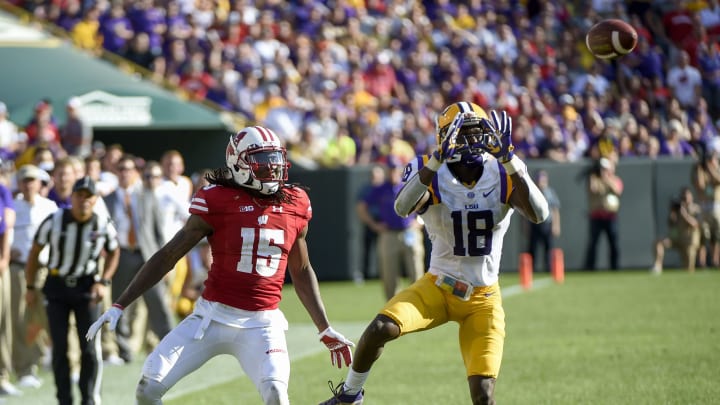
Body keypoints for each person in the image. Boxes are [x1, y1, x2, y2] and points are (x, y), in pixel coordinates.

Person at [86, 126, 354, 405]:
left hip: (262, 324)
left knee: (276, 395)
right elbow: (169, 255)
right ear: (238, 163)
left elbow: (300, 269)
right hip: (210, 318)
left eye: (275, 159)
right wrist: (120, 304)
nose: (273, 168)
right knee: (147, 390)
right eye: (262, 160)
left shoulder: (294, 202)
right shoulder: (216, 199)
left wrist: (324, 327)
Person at [320, 102, 549, 405]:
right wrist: (437, 160)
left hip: (483, 299)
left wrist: (511, 162)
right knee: (380, 328)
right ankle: (350, 395)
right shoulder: (429, 169)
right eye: (461, 134)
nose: (469, 141)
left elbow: (539, 214)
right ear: (444, 137)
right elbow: (402, 207)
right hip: (438, 287)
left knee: (483, 396)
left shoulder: (504, 170)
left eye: (475, 132)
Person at [25, 176, 120, 405]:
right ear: (72, 197)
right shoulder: (54, 220)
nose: (84, 200)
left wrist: (104, 281)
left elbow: (114, 252)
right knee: (60, 348)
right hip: (57, 287)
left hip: (86, 287)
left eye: (89, 196)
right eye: (80, 195)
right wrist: (30, 286)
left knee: (89, 348)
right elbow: (35, 252)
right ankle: (64, 400)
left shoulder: (102, 224)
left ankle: (89, 399)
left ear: (95, 199)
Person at [103, 155, 173, 364]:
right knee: (119, 302)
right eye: (121, 169)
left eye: (129, 169)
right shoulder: (107, 199)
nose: (125, 173)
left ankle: (170, 346)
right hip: (121, 254)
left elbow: (158, 229)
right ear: (117, 172)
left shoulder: (146, 195)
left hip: (147, 255)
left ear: (135, 172)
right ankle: (124, 351)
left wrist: (166, 260)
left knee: (158, 302)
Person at [10, 164, 58, 389]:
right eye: (25, 180)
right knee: (22, 318)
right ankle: (26, 368)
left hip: (47, 268)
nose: (29, 184)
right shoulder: (12, 207)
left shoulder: (50, 207)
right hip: (19, 269)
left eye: (33, 180)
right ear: (19, 184)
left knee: (52, 315)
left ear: (40, 184)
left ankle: (54, 359)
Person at [357, 157, 425, 300]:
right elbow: (362, 206)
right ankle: (392, 307)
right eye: (391, 169)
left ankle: (418, 304)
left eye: (396, 168)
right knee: (389, 275)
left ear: (401, 170)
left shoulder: (408, 186)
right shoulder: (381, 189)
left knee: (416, 272)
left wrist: (420, 221)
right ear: (387, 170)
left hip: (409, 232)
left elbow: (426, 204)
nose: (393, 172)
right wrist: (374, 225)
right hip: (389, 234)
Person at [583, 158, 624, 270]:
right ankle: (589, 267)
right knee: (593, 243)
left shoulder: (615, 180)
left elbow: (617, 191)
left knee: (613, 243)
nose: (604, 171)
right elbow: (593, 189)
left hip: (610, 216)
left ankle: (615, 267)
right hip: (596, 216)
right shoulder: (594, 179)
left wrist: (607, 178)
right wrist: (594, 175)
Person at [651, 187, 701, 274]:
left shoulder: (696, 208)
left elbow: (695, 224)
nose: (685, 199)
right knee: (659, 243)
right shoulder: (679, 208)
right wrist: (673, 212)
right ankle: (658, 266)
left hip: (689, 241)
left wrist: (684, 215)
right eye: (683, 197)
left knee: (688, 268)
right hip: (677, 238)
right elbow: (671, 224)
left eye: (687, 196)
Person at [0, 160, 17, 398]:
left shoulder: (3, 191)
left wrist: (3, 259)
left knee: (2, 322)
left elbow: (7, 227)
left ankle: (2, 376)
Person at [526, 170, 561, 272]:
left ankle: (549, 268)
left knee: (549, 248)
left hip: (547, 224)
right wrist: (526, 226)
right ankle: (531, 269)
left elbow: (555, 210)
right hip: (534, 223)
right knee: (532, 248)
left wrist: (556, 225)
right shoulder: (532, 192)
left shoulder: (550, 192)